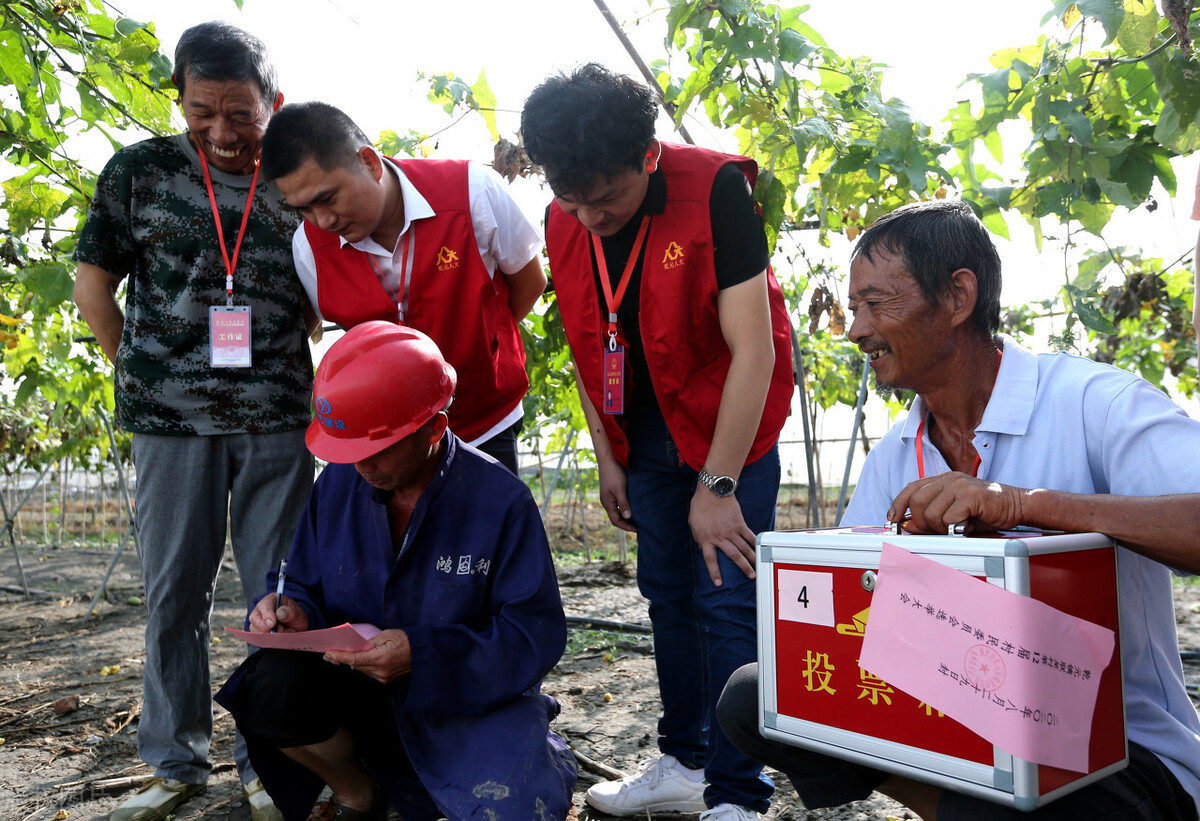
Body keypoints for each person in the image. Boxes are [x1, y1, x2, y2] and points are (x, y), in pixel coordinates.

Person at [717, 199, 1200, 820]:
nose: (855, 329)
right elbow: (851, 614)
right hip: (954, 729)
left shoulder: (1095, 404)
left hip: (1117, 755)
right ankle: (953, 805)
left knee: (1033, 802)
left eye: (875, 304)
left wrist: (1026, 506)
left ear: (958, 296)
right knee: (755, 695)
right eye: (854, 308)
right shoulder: (894, 455)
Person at [520, 64, 795, 821]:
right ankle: (687, 759)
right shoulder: (565, 215)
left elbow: (756, 351)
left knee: (730, 601)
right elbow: (585, 338)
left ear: (647, 156)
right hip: (643, 435)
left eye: (606, 196)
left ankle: (741, 795)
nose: (590, 216)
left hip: (727, 427)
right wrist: (610, 457)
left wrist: (719, 485)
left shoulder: (715, 192)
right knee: (667, 597)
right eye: (571, 199)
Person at [72, 21, 312, 821]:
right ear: (179, 100)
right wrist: (141, 374)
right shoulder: (137, 173)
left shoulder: (297, 175)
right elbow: (94, 285)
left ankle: (268, 758)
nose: (221, 131)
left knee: (277, 593)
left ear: (272, 105)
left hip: (277, 414)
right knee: (174, 592)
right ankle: (175, 761)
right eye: (201, 110)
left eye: (240, 113)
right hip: (169, 423)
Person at [215, 322, 577, 821]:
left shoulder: (500, 501)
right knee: (269, 688)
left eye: (376, 449)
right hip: (357, 694)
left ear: (434, 428)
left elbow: (533, 635)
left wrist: (424, 656)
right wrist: (291, 608)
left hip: (462, 699)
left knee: (521, 807)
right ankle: (357, 792)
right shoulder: (336, 487)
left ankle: (518, 756)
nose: (360, 466)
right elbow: (302, 582)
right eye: (349, 451)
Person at [258, 101, 545, 474]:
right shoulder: (309, 248)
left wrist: (481, 342)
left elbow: (529, 281)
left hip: (483, 420)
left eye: (328, 198)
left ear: (370, 162)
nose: (323, 220)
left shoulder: (471, 192)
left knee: (486, 528)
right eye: (305, 209)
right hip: (384, 443)